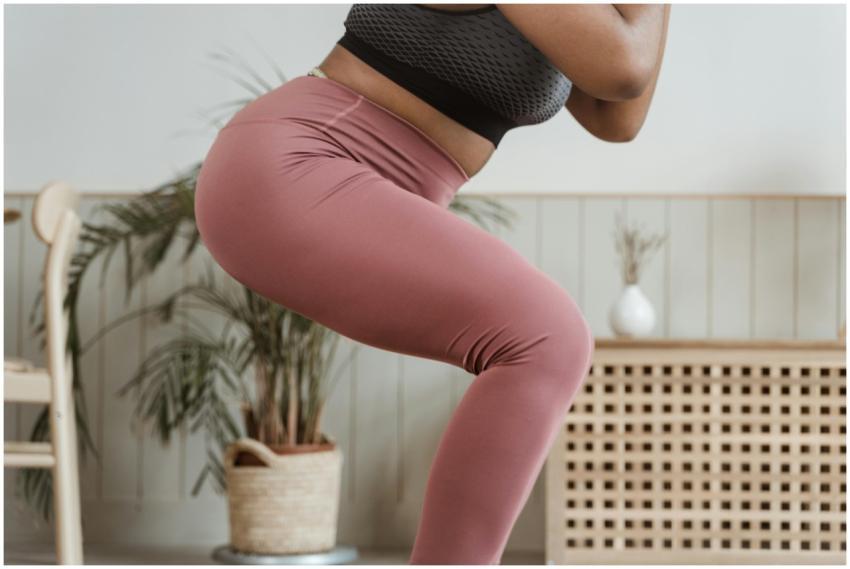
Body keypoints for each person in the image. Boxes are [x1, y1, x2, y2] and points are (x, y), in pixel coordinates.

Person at [194, 3, 670, 564]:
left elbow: (617, 116)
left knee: (545, 340)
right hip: (297, 163)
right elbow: (625, 66)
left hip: (351, 180)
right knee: (548, 338)